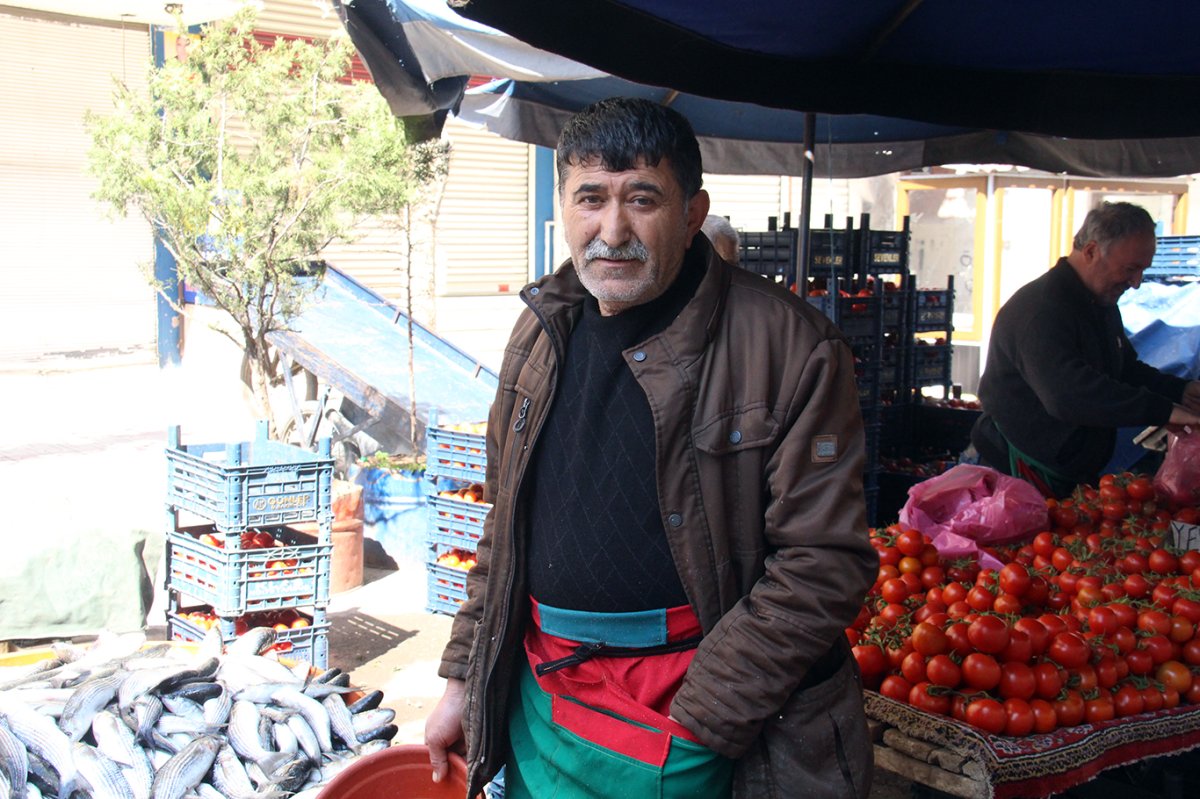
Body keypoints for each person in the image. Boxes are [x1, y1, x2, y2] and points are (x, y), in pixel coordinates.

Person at [424, 97, 877, 799]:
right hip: (545, 694)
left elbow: (824, 563)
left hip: (694, 708)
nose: (613, 229)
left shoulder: (791, 348)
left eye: (642, 198)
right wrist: (462, 678)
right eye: (591, 199)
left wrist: (703, 717)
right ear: (565, 207)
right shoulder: (539, 333)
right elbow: (502, 529)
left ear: (692, 211)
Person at [971, 201, 1200, 497]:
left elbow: (1123, 369)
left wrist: (1180, 391)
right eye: (1130, 269)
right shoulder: (1043, 310)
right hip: (1018, 473)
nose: (1137, 283)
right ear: (1091, 251)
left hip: (1066, 471)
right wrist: (1164, 410)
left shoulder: (1099, 301)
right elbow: (1068, 395)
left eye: (1142, 270)